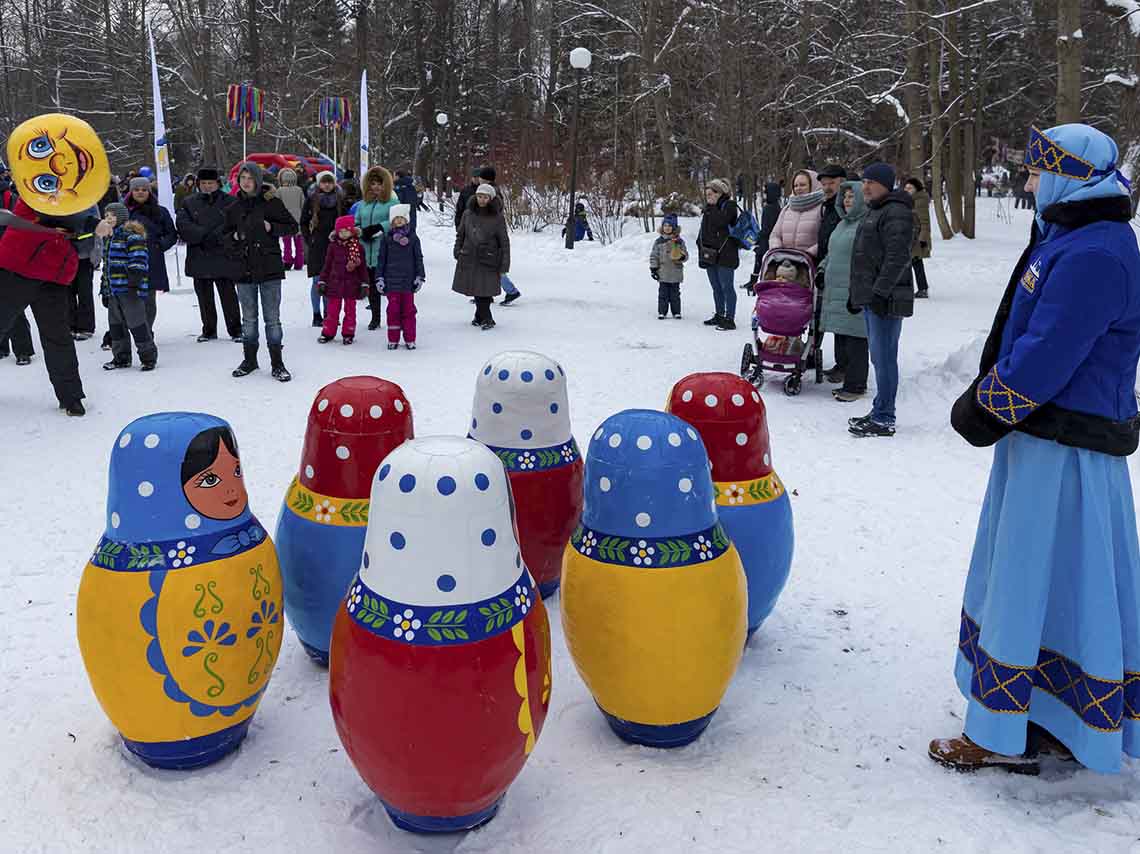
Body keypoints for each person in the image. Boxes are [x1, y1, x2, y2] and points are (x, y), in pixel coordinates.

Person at [935, 123, 1140, 775]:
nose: (1026, 182)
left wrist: (982, 407)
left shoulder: (1095, 252)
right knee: (1052, 581)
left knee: (1033, 580)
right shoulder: (1075, 237)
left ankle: (1002, 731)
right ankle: (1052, 717)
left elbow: (1047, 353)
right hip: (1049, 440)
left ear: (1070, 176)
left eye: (1036, 171)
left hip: (1065, 450)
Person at [0, 200, 94, 415]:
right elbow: (53, 215)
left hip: (53, 275)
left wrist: (79, 236)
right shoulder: (33, 192)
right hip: (15, 270)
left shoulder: (81, 196)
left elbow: (85, 242)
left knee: (58, 337)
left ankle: (71, 398)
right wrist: (90, 223)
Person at [847, 162, 915, 438]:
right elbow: (865, 257)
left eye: (870, 183)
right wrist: (857, 296)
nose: (865, 187)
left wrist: (878, 293)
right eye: (863, 182)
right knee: (879, 357)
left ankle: (885, 417)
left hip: (885, 301)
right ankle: (879, 410)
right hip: (873, 299)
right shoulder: (876, 211)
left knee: (885, 358)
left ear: (885, 184)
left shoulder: (896, 211)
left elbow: (897, 258)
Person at [224, 161, 298, 382]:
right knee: (249, 320)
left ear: (257, 180)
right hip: (244, 269)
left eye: (250, 178)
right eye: (242, 178)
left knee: (272, 319)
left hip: (269, 268)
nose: (246, 182)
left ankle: (277, 363)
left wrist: (271, 227)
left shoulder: (271, 202)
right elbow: (223, 237)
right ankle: (250, 360)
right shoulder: (232, 207)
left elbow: (292, 226)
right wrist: (234, 238)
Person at [176, 168, 242, 343]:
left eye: (210, 183)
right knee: (204, 297)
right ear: (198, 184)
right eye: (203, 183)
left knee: (228, 295)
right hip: (200, 253)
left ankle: (236, 329)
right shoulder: (189, 202)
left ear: (217, 183)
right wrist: (203, 234)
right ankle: (209, 329)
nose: (207, 186)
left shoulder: (230, 201)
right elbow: (183, 224)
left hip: (224, 253)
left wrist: (217, 236)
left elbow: (235, 223)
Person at [817, 182, 868, 402]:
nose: (847, 200)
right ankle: (843, 370)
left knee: (856, 337)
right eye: (845, 197)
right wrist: (821, 269)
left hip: (852, 289)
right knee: (841, 333)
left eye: (852, 197)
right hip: (835, 289)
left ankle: (856, 385)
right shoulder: (843, 224)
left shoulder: (865, 224)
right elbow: (833, 253)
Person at [97, 202, 157, 371]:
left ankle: (148, 357)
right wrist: (105, 289)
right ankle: (121, 357)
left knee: (137, 325)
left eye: (112, 216)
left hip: (130, 290)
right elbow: (106, 267)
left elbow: (138, 260)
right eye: (106, 216)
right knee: (116, 327)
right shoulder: (109, 237)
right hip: (114, 290)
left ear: (121, 217)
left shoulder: (132, 236)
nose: (108, 219)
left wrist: (134, 282)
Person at [453, 184, 509, 330]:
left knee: (484, 289)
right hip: (469, 255)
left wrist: (504, 263)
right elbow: (461, 233)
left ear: (491, 199)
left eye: (485, 197)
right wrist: (457, 249)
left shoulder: (497, 217)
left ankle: (487, 317)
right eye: (479, 196)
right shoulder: (468, 213)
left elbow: (504, 241)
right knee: (476, 287)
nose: (482, 200)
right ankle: (480, 316)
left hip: (488, 257)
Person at [125, 177, 177, 331]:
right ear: (131, 191)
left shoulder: (160, 211)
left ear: (149, 192)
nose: (140, 193)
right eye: (136, 190)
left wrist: (159, 246)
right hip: (128, 259)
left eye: (144, 190)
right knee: (130, 298)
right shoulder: (124, 211)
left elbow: (171, 234)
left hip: (152, 259)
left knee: (148, 299)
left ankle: (146, 331)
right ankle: (132, 329)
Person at [464, 166, 521, 304]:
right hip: (489, 233)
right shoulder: (489, 189)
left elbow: (494, 211)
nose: (478, 179)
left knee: (493, 268)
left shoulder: (491, 191)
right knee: (487, 267)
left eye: (481, 177)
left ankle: (511, 291)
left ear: (485, 179)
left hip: (491, 235)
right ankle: (485, 294)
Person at [355, 165, 399, 330]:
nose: (376, 187)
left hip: (385, 250)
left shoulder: (393, 202)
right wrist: (360, 231)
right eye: (372, 183)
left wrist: (380, 228)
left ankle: (394, 317)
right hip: (366, 251)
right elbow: (357, 222)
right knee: (372, 288)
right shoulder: (363, 204)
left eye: (379, 184)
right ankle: (375, 318)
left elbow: (398, 221)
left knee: (387, 287)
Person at [376, 203, 425, 349]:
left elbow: (418, 258)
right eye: (395, 219)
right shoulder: (386, 239)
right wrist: (380, 278)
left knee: (409, 311)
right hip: (392, 282)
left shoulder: (413, 239)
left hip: (408, 282)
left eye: (401, 218)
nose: (398, 221)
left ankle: (410, 338)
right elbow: (381, 259)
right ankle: (393, 339)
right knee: (393, 311)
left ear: (406, 220)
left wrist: (420, 276)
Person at [317, 214, 370, 345]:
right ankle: (328, 332)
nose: (344, 233)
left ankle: (348, 333)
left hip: (352, 284)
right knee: (332, 311)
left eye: (346, 230)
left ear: (351, 231)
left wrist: (364, 284)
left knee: (350, 311)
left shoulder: (358, 247)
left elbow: (363, 268)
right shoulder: (333, 247)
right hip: (335, 284)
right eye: (341, 231)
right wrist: (323, 281)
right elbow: (327, 265)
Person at [302, 170, 345, 327]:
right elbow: (304, 222)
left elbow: (346, 221)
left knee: (331, 282)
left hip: (335, 245)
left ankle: (329, 313)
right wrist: (309, 239)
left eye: (330, 182)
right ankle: (316, 314)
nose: (327, 185)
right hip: (317, 245)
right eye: (324, 182)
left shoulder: (340, 200)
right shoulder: (311, 200)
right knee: (317, 281)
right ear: (319, 183)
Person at [696, 178, 740, 330]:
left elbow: (721, 222)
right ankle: (720, 314)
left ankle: (730, 318)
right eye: (707, 192)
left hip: (726, 254)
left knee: (727, 287)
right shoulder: (709, 208)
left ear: (721, 192)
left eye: (712, 192)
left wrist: (712, 207)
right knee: (716, 287)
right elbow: (705, 229)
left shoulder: (729, 206)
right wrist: (700, 246)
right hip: (710, 253)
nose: (709, 195)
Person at [769, 169, 824, 258]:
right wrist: (777, 250)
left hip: (811, 262)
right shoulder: (787, 209)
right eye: (795, 185)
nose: (798, 188)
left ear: (813, 185)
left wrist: (808, 254)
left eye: (802, 185)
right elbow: (775, 235)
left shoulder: (822, 208)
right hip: (785, 261)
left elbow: (825, 239)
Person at [67, 205, 102, 341]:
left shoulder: (89, 202)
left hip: (85, 254)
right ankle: (70, 324)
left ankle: (86, 326)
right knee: (67, 292)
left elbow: (98, 229)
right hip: (65, 254)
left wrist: (97, 252)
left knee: (84, 291)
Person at [649, 213, 687, 319]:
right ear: (662, 227)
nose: (667, 228)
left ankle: (676, 312)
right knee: (663, 294)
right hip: (663, 272)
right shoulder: (658, 242)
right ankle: (662, 312)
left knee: (675, 294)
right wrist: (653, 268)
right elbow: (654, 256)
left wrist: (681, 257)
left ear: (674, 228)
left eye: (670, 226)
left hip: (675, 272)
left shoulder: (679, 241)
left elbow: (686, 255)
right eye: (665, 225)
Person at [746, 182, 782, 291]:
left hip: (768, 239)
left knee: (760, 258)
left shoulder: (769, 208)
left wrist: (758, 238)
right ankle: (756, 281)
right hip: (774, 239)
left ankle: (755, 282)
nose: (765, 195)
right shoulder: (778, 206)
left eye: (766, 193)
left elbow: (767, 228)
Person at [903, 177, 932, 299]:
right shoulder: (909, 200)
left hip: (916, 239)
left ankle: (921, 289)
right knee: (914, 263)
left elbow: (925, 222)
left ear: (916, 189)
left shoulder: (919, 201)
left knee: (913, 263)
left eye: (910, 188)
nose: (907, 190)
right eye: (905, 188)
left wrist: (922, 239)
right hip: (910, 237)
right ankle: (921, 288)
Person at [816, 164, 847, 264]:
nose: (827, 188)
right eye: (824, 184)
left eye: (831, 183)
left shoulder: (847, 207)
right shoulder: (827, 206)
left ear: (843, 182)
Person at [275, 168, 305, 270]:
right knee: (298, 244)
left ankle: (287, 260)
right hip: (298, 219)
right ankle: (299, 262)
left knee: (287, 243)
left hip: (285, 220)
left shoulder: (280, 190)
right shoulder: (299, 190)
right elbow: (303, 204)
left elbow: (277, 205)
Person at [393, 167, 420, 232]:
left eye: (394, 175)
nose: (393, 177)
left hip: (401, 217)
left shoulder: (398, 187)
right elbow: (416, 199)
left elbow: (397, 201)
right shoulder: (411, 186)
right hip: (412, 215)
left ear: (397, 176)